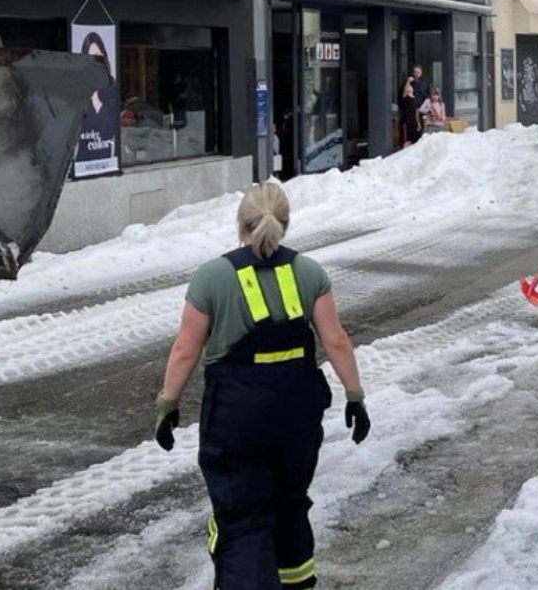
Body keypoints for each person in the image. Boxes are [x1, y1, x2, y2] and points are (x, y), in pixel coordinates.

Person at [154, 182, 370, 590]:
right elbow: (336, 339)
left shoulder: (212, 277)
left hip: (236, 419)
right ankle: (297, 583)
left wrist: (167, 403)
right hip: (297, 417)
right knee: (290, 503)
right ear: (284, 224)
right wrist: (355, 396)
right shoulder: (310, 273)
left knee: (242, 518)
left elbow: (185, 349)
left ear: (241, 226)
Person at [398, 81, 422, 147]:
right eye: (409, 87)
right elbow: (405, 91)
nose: (410, 88)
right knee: (408, 138)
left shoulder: (414, 98)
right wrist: (408, 81)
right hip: (407, 119)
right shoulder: (405, 97)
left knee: (416, 137)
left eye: (411, 87)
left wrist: (418, 122)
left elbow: (416, 111)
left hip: (414, 120)